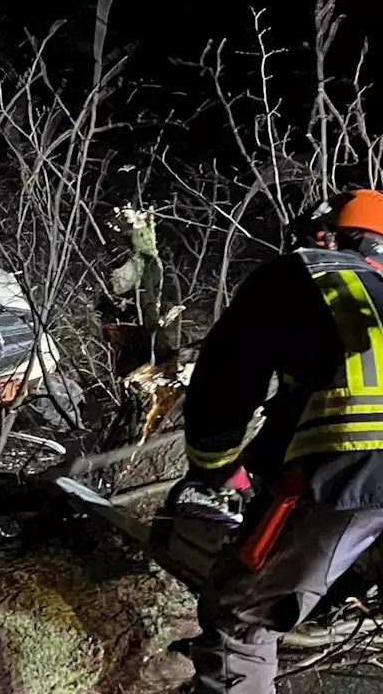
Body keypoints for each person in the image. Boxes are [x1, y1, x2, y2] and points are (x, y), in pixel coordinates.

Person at [175, 188, 383, 693]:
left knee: (242, 621)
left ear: (327, 234)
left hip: (355, 475)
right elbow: (308, 408)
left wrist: (215, 467)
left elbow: (226, 383)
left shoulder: (306, 274)